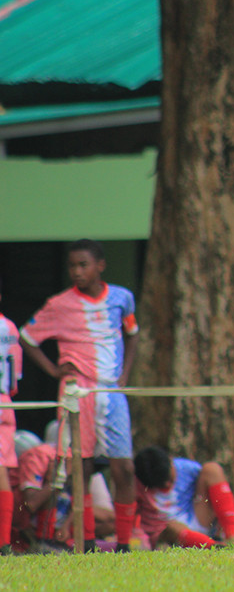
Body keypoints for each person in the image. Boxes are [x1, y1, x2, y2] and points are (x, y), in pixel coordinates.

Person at [19, 238, 140, 552]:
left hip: (110, 391)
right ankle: (86, 543)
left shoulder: (122, 298)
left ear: (100, 266)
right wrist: (53, 370)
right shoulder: (59, 304)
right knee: (81, 468)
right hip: (76, 392)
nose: (76, 271)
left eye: (83, 265)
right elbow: (27, 337)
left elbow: (132, 334)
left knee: (124, 468)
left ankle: (124, 544)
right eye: (72, 265)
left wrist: (125, 375)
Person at [133, 445, 234, 548]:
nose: (167, 485)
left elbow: (213, 493)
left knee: (212, 469)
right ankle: (216, 547)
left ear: (171, 462)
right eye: (160, 485)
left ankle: (233, 537)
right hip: (167, 533)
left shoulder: (187, 469)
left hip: (196, 517)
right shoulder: (136, 486)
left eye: (170, 479)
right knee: (172, 527)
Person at [0, 285, 21, 555]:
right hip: (5, 401)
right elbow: (15, 380)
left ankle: (3, 545)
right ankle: (4, 542)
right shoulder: (10, 328)